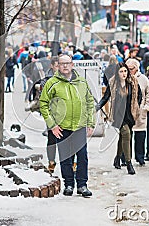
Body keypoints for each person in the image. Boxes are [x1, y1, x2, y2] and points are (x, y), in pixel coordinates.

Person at [39, 54, 95, 197]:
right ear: (58, 65)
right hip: (61, 127)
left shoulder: (82, 82)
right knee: (65, 158)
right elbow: (43, 104)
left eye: (67, 63)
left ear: (72, 65)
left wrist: (91, 123)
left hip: (80, 126)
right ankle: (69, 184)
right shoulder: (52, 83)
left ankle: (82, 185)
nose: (65, 66)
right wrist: (52, 125)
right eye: (62, 63)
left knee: (82, 157)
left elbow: (89, 102)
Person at [97, 62, 141, 175]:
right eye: (121, 71)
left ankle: (117, 158)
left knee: (123, 137)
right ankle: (128, 163)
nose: (124, 73)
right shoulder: (113, 83)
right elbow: (106, 97)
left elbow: (139, 95)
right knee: (126, 134)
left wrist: (137, 107)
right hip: (118, 115)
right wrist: (97, 107)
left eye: (125, 71)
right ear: (117, 73)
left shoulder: (133, 82)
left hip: (130, 114)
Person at [125, 59, 149, 166]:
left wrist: (146, 107)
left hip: (140, 112)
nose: (128, 71)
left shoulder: (143, 79)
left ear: (136, 68)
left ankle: (140, 157)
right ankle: (126, 158)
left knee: (140, 136)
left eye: (131, 69)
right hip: (127, 113)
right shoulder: (124, 78)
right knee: (126, 136)